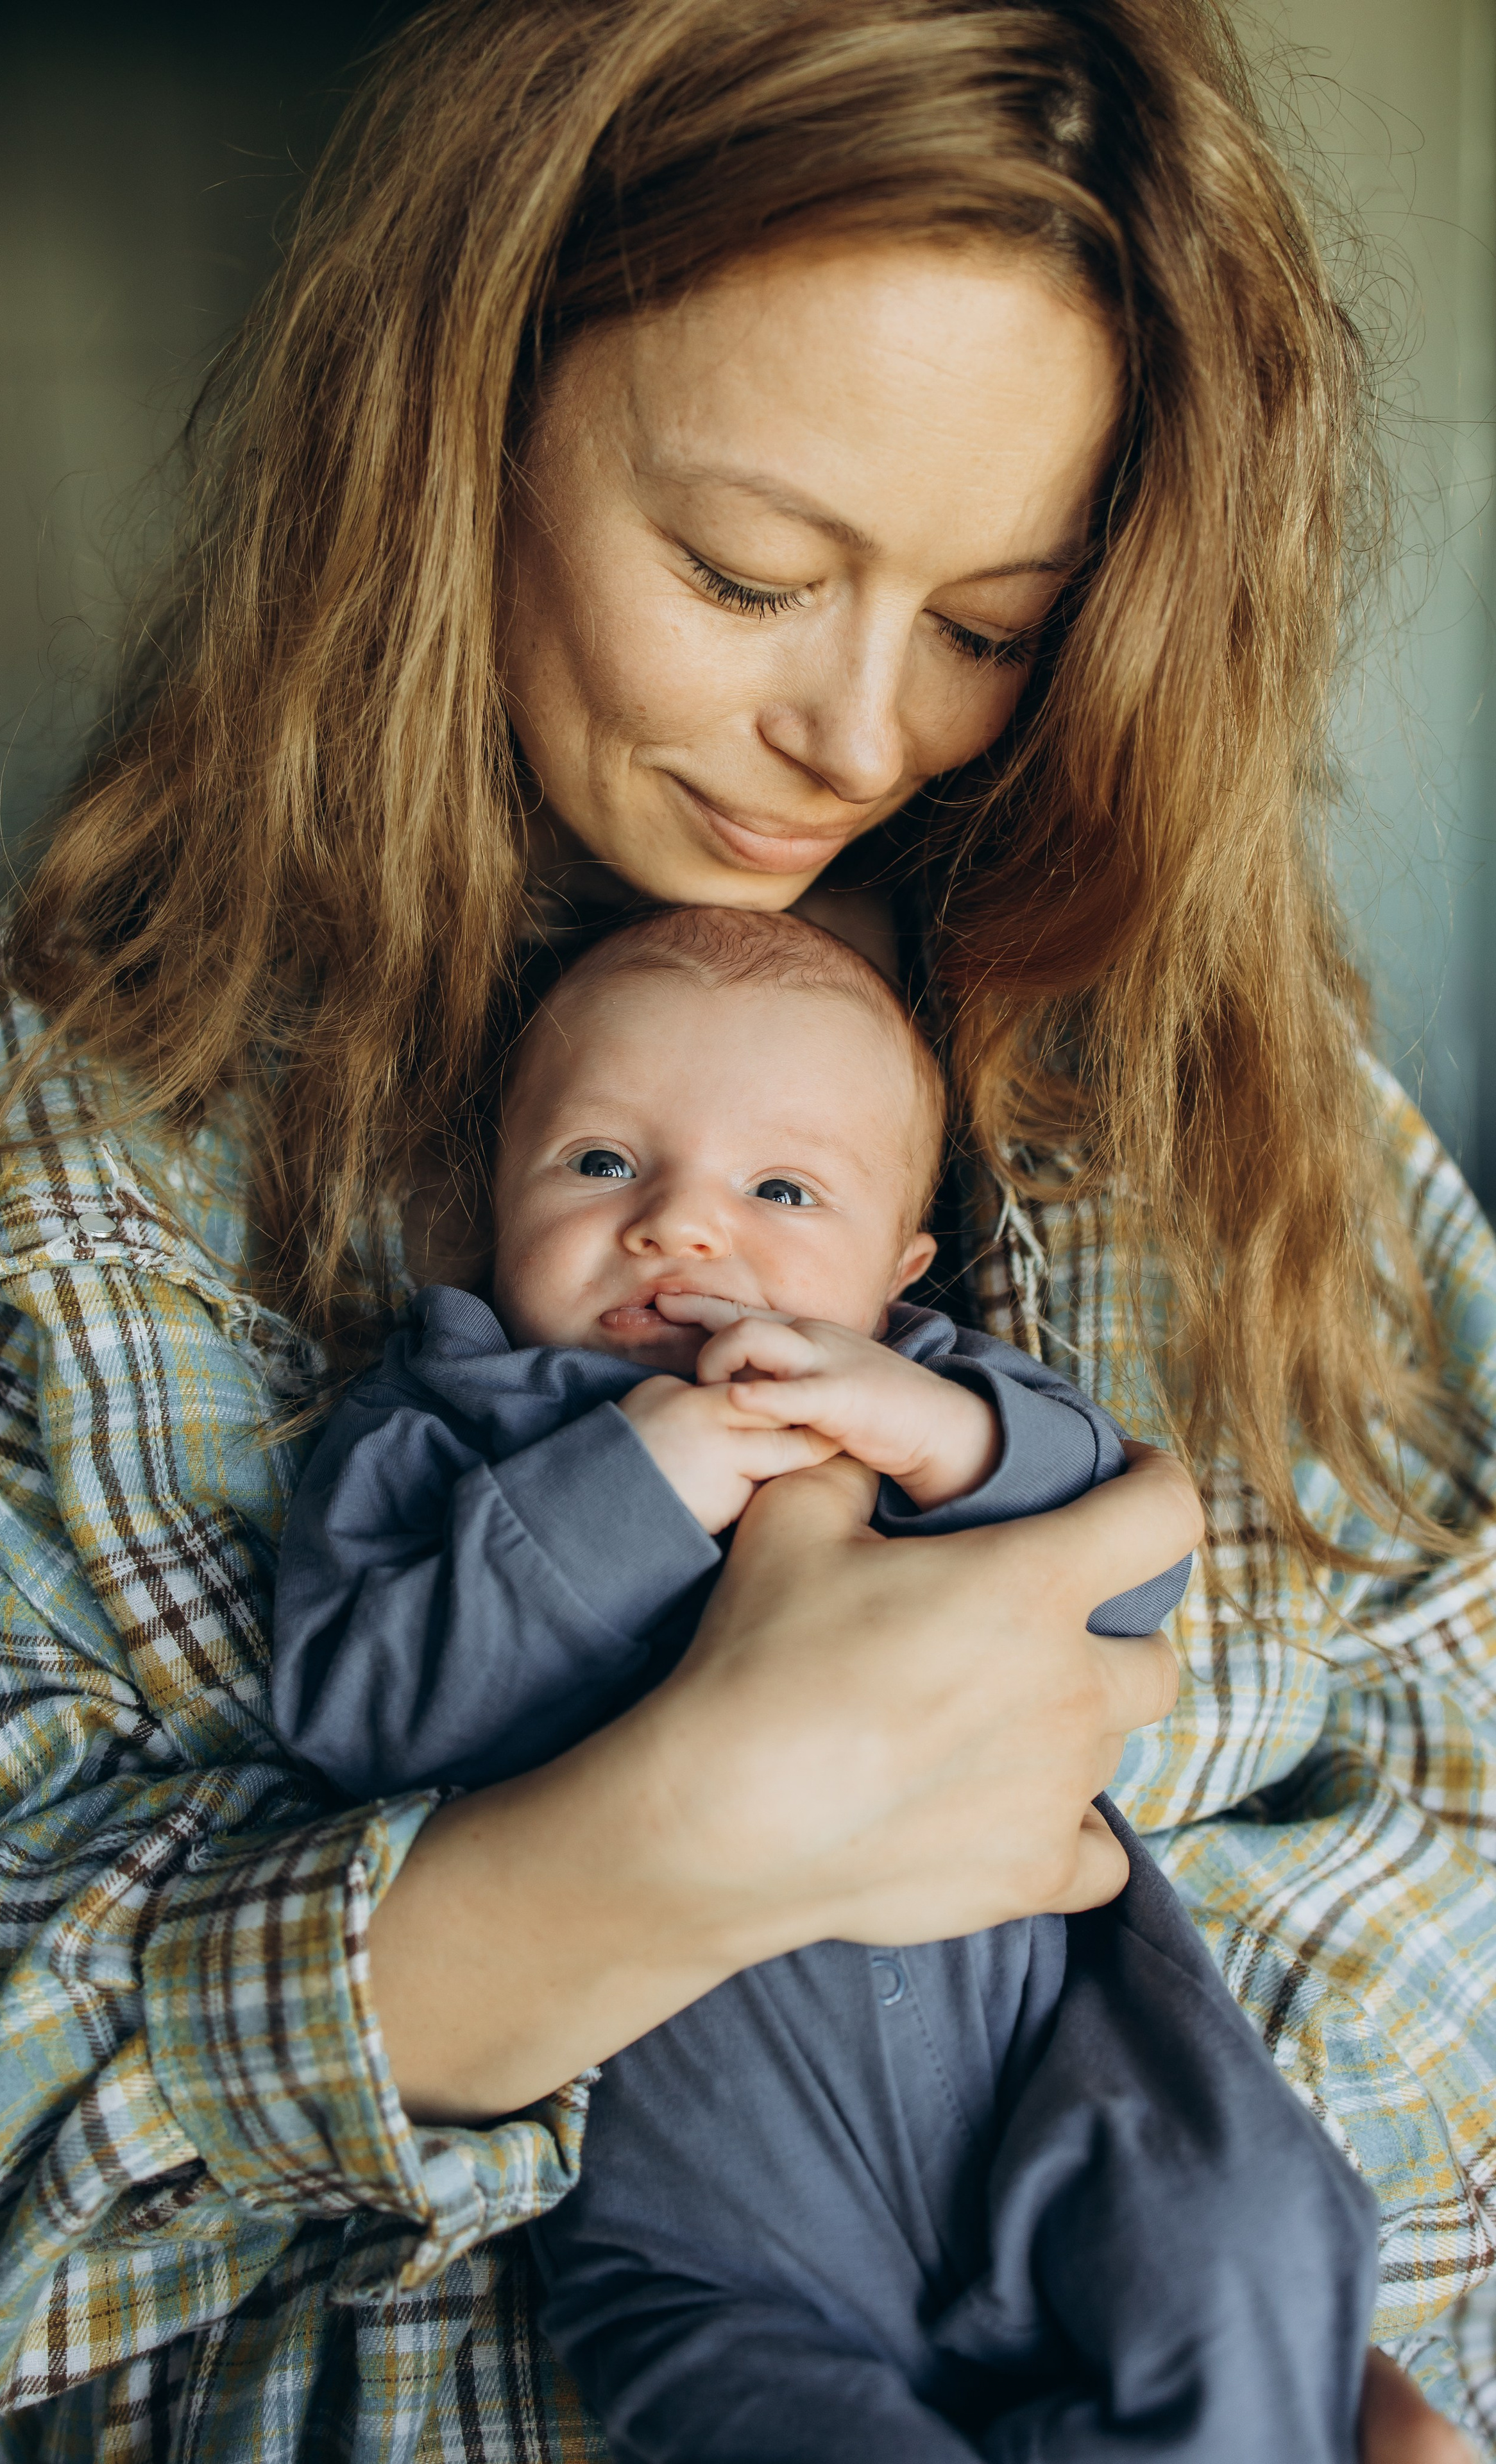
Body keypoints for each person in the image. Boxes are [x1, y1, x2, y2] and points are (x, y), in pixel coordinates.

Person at [0, 1, 1486, 2458]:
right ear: (458, 433)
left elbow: (1455, 1825)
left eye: (986, 625)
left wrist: (1325, 2300)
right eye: (745, 573)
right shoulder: (33, 1178)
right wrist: (628, 1867)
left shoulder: (1223, 1091)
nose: (858, 737)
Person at [272, 902, 1378, 2463]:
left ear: (897, 1268)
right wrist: (632, 1486)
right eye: (599, 1165)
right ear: (484, 1194)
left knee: (1268, 2232)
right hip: (709, 2231)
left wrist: (948, 1439)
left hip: (1063, 2097)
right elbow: (361, 1712)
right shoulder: (442, 1428)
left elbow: (1125, 1581)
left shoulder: (941, 1397)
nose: (678, 1228)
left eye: (779, 1189)